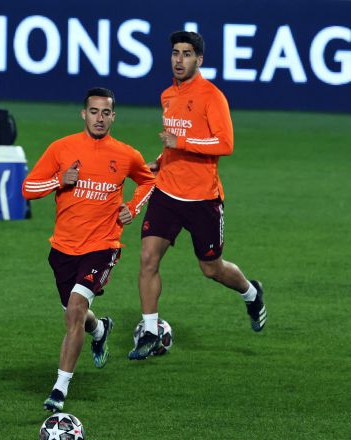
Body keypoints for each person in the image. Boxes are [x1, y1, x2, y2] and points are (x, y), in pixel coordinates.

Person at [128, 31, 267, 360]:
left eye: (186, 54)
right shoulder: (167, 95)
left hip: (203, 199)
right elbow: (174, 142)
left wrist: (181, 144)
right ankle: (149, 331)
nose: (179, 59)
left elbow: (225, 143)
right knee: (148, 259)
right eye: (175, 52)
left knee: (212, 269)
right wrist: (161, 161)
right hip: (167, 194)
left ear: (199, 60)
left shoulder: (212, 96)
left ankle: (251, 293)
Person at [22, 88, 156, 412]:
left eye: (105, 112)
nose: (99, 118)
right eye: (94, 111)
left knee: (77, 307)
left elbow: (148, 181)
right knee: (75, 314)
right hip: (64, 249)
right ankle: (100, 329)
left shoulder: (125, 154)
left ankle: (59, 387)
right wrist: (59, 181)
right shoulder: (62, 148)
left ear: (113, 116)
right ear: (84, 114)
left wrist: (132, 209)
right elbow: (27, 188)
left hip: (103, 245)